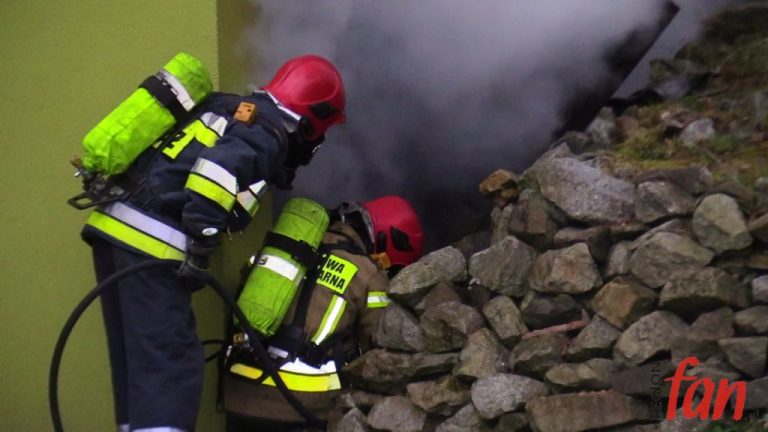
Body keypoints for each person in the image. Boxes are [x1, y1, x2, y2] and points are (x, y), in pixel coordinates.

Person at [80, 54, 346, 432]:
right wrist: (202, 239)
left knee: (136, 359)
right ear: (310, 121)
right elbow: (216, 173)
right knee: (171, 362)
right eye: (323, 132)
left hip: (113, 229)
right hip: (150, 242)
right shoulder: (268, 130)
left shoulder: (226, 107)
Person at [223, 195, 424, 432]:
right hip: (300, 405)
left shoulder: (292, 242)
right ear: (385, 240)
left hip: (237, 392)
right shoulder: (369, 274)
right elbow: (377, 345)